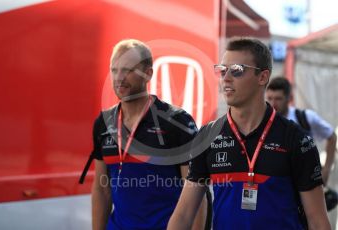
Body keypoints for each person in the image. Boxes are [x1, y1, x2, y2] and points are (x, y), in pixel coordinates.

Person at [168, 37, 331, 229]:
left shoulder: (296, 139)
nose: (225, 78)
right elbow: (184, 214)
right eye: (222, 70)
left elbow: (318, 221)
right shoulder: (208, 135)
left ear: (262, 77)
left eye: (236, 70)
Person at [86, 39, 207, 230]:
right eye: (114, 70)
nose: (119, 77)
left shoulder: (178, 122)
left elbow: (196, 195)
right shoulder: (104, 122)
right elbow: (102, 189)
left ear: (149, 73)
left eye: (128, 70)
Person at [266, 77, 337, 185]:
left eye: (278, 99)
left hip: (306, 183)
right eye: (270, 98)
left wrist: (326, 171)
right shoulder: (264, 121)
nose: (273, 103)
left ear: (290, 98)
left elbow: (332, 136)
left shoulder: (305, 118)